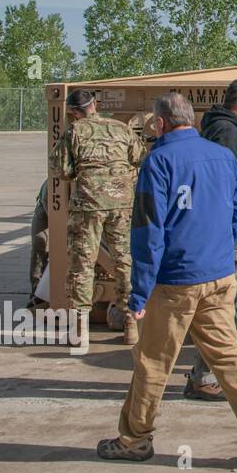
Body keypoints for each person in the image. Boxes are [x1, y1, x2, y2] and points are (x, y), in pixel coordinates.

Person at [97, 92, 237, 465]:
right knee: (228, 354)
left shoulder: (159, 162)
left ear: (161, 123)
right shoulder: (221, 156)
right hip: (218, 275)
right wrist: (218, 247)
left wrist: (138, 293)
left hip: (176, 281)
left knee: (153, 361)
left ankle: (134, 438)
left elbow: (149, 232)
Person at [185, 78, 237, 400]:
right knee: (228, 304)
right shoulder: (226, 133)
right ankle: (207, 377)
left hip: (230, 231)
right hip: (228, 235)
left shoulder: (224, 130)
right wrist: (235, 227)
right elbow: (219, 187)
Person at [49, 89, 145, 343]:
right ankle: (130, 324)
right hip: (122, 204)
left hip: (88, 205)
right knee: (125, 261)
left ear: (73, 112)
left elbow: (61, 169)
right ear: (95, 105)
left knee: (83, 263)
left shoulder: (74, 131)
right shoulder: (121, 128)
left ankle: (81, 328)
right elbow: (138, 158)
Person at [27, 181, 49, 308]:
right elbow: (46, 199)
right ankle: (36, 294)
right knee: (39, 242)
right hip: (45, 209)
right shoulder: (56, 176)